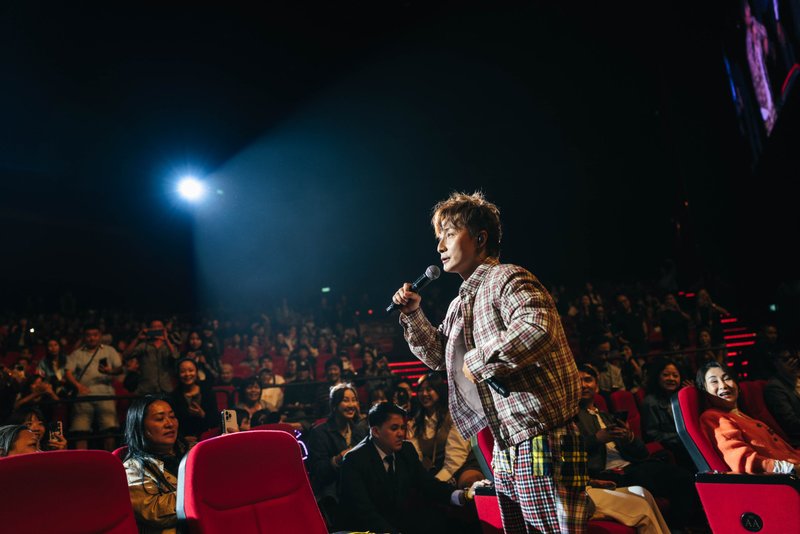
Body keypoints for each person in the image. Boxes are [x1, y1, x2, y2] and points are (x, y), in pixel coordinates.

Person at [392, 191, 588, 532]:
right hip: (506, 441)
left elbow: (537, 328)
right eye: (439, 237)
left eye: (449, 234)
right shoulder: (460, 303)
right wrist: (413, 314)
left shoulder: (508, 278)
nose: (440, 246)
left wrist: (480, 360)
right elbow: (440, 357)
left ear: (480, 238)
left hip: (543, 436)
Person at [575, 364, 697, 528]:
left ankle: (680, 527)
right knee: (653, 480)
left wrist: (629, 438)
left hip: (633, 466)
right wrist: (597, 438)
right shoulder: (573, 418)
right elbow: (569, 449)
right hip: (609, 474)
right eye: (578, 381)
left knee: (684, 477)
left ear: (596, 385)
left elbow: (642, 453)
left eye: (588, 380)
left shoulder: (606, 416)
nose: (583, 385)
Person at [338, 402, 479, 534]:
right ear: (375, 431)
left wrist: (461, 495)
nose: (401, 433)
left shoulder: (406, 449)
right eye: (394, 428)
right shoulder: (354, 460)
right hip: (366, 529)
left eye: (403, 428)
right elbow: (364, 512)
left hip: (399, 522)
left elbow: (427, 484)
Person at [696, 360, 800, 473]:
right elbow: (743, 460)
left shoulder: (741, 415)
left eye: (727, 378)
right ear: (705, 391)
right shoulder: (714, 417)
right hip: (783, 478)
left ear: (738, 386)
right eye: (714, 381)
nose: (723, 385)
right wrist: (791, 469)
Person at [306, 383, 367, 525]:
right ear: (334, 405)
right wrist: (338, 459)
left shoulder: (360, 431)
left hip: (359, 489)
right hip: (334, 493)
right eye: (346, 400)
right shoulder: (319, 433)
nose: (351, 405)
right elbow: (319, 472)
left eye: (354, 400)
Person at [123, 396, 186, 534]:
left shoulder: (191, 451)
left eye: (172, 417)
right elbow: (153, 511)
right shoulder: (133, 468)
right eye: (159, 419)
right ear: (140, 426)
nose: (170, 424)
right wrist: (196, 491)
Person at [408, 372, 483, 487]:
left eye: (429, 389)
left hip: (462, 465)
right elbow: (417, 458)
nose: (424, 394)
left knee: (469, 482)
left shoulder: (453, 416)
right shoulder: (414, 423)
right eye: (420, 390)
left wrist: (435, 483)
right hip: (435, 469)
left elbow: (456, 457)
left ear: (439, 391)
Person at [65, 323, 124, 451]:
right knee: (80, 432)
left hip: (105, 394)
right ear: (84, 337)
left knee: (109, 431)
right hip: (83, 396)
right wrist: (78, 386)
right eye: (89, 335)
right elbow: (68, 372)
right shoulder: (77, 353)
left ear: (100, 336)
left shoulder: (109, 350)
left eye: (95, 335)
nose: (92, 338)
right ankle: (82, 461)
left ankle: (110, 459)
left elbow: (119, 369)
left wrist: (110, 371)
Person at [640, 359, 694, 469]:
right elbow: (653, 434)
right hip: (670, 446)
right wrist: (682, 437)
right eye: (666, 375)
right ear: (657, 377)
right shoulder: (650, 402)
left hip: (685, 441)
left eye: (675, 375)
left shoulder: (681, 397)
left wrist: (692, 395)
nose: (671, 379)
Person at [124, 320, 180, 394]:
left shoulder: (169, 346)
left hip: (165, 388)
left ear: (163, 329)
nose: (156, 329)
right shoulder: (143, 346)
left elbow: (176, 357)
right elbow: (126, 355)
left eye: (159, 327)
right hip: (146, 389)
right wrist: (137, 338)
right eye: (153, 327)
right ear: (149, 330)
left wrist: (166, 339)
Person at [170, 358, 217, 442]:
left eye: (191, 370)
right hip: (183, 441)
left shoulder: (207, 392)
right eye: (183, 371)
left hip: (206, 438)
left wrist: (203, 415)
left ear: (196, 372)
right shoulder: (173, 396)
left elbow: (215, 420)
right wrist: (182, 438)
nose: (187, 374)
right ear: (178, 374)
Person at [763, 349, 800, 447]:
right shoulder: (775, 387)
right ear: (775, 363)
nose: (793, 363)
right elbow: (791, 424)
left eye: (795, 358)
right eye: (786, 359)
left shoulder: (796, 379)